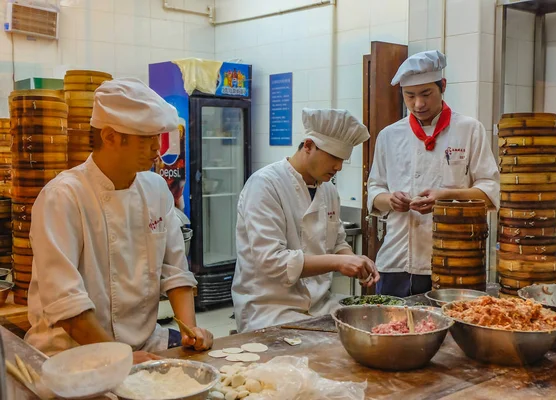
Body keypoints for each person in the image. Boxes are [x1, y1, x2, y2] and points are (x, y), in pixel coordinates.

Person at [25, 78, 213, 363]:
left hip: (145, 343)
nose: (156, 149)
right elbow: (67, 305)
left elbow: (175, 271)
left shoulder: (156, 189)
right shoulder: (63, 197)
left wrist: (191, 329)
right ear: (110, 136)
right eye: (145, 138)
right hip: (73, 355)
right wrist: (118, 358)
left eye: (158, 137)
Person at [232, 108, 379, 333]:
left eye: (343, 160)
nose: (338, 167)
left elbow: (338, 242)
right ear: (308, 145)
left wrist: (353, 259)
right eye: (334, 158)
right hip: (269, 309)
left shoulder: (328, 190)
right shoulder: (265, 185)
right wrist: (338, 263)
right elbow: (271, 261)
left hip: (320, 305)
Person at [367, 50, 500, 298]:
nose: (418, 104)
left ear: (443, 86)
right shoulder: (389, 135)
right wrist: (390, 200)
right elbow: (375, 188)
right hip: (395, 260)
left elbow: (489, 190)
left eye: (426, 94)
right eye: (410, 96)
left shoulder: (469, 129)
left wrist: (447, 196)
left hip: (453, 259)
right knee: (394, 330)